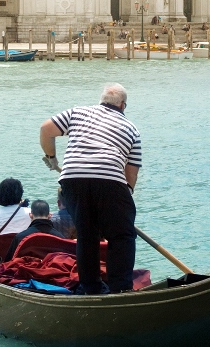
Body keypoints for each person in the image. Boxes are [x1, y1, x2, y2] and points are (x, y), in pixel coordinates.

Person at [40, 84, 143, 295]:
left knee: (87, 235)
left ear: (101, 100)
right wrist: (125, 197)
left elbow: (45, 129)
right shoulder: (131, 128)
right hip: (110, 181)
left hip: (72, 180)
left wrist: (52, 157)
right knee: (122, 235)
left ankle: (92, 288)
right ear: (123, 105)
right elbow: (131, 172)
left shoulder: (77, 112)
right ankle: (121, 288)